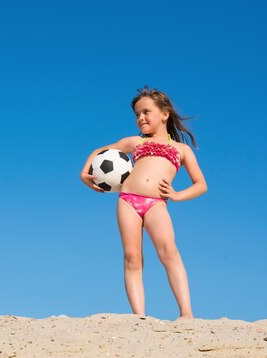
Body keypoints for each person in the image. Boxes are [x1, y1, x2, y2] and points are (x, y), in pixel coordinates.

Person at [80, 86, 207, 320]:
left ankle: (186, 313)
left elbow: (201, 184)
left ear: (165, 114)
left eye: (146, 112)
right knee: (132, 257)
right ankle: (139, 317)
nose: (140, 118)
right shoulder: (135, 143)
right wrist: (84, 172)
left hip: (157, 203)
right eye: (137, 114)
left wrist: (178, 195)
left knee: (169, 252)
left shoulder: (181, 150)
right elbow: (101, 149)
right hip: (128, 201)